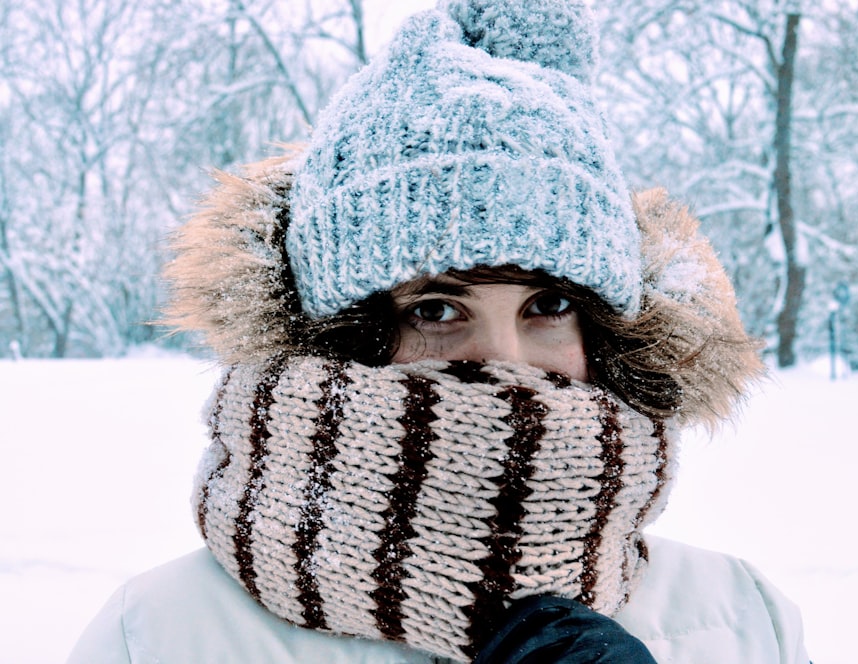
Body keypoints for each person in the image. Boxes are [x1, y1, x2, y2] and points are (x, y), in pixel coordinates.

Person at [67, 0, 810, 662]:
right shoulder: (161, 636)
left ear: (605, 334)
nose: (506, 361)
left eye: (547, 306)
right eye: (435, 310)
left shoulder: (743, 619)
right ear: (345, 340)